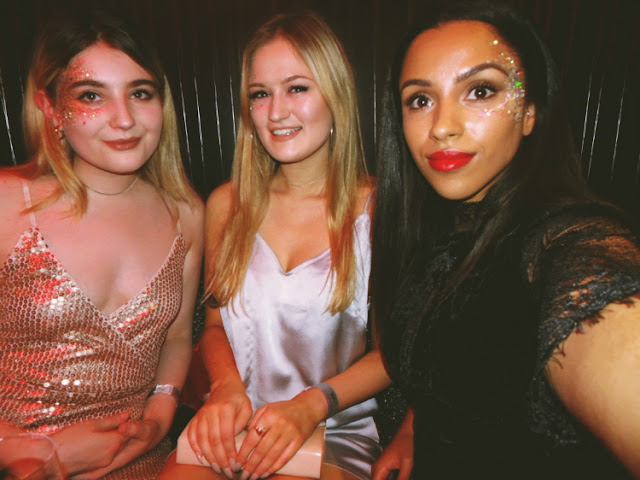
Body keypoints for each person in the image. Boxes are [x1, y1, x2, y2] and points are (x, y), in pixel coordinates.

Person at [370, 1, 640, 479]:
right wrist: (413, 427)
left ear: (530, 111)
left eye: (480, 90)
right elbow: (454, 356)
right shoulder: (440, 226)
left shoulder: (567, 245)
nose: (442, 126)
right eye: (420, 100)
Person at [159, 11, 390, 480]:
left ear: (336, 95)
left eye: (297, 88)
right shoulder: (226, 204)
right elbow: (215, 325)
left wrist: (311, 405)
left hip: (330, 429)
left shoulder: (379, 210)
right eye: (260, 94)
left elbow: (395, 354)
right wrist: (226, 388)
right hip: (233, 422)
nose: (276, 111)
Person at [0, 10, 204, 480]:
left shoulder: (186, 213)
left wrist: (161, 412)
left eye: (140, 93)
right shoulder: (10, 203)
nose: (124, 119)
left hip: (143, 460)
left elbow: (177, 337)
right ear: (51, 108)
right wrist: (34, 451)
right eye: (91, 95)